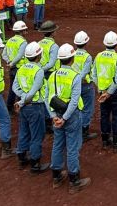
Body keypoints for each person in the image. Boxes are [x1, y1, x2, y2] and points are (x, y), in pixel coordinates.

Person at [46, 43, 92, 193]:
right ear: (72, 59)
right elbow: (74, 100)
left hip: (57, 114)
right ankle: (74, 181)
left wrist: (54, 117)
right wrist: (65, 118)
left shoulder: (52, 75)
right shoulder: (75, 76)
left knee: (58, 144)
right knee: (72, 147)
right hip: (71, 116)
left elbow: (47, 98)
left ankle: (56, 176)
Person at [12, 41, 50, 174]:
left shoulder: (21, 68)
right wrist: (23, 101)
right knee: (37, 135)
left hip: (24, 108)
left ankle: (22, 157)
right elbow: (33, 91)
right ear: (39, 55)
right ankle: (35, 164)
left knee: (24, 131)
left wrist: (22, 99)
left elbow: (15, 87)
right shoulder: (38, 71)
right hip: (35, 107)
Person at [93, 31, 117, 151]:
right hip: (116, 92)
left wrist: (102, 89)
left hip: (102, 92)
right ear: (116, 43)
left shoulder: (98, 56)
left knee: (104, 115)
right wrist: (109, 92)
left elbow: (93, 75)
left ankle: (105, 140)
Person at [72, 31, 98, 141]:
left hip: (73, 85)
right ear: (86, 43)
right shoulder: (87, 57)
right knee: (87, 108)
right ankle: (84, 131)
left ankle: (75, 129)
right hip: (85, 85)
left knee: (76, 107)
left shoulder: (72, 54)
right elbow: (85, 72)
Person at [38, 20, 60, 133]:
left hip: (41, 72)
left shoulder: (39, 43)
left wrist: (39, 70)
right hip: (50, 73)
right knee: (50, 97)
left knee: (43, 95)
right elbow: (51, 63)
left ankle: (45, 121)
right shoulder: (54, 46)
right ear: (52, 32)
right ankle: (49, 121)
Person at [3, 20, 29, 113]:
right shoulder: (23, 42)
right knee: (21, 88)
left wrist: (9, 62)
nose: (26, 32)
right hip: (20, 68)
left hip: (12, 69)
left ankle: (9, 108)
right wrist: (12, 63)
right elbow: (20, 55)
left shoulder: (9, 40)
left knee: (12, 88)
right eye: (25, 30)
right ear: (22, 31)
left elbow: (4, 54)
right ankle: (20, 107)